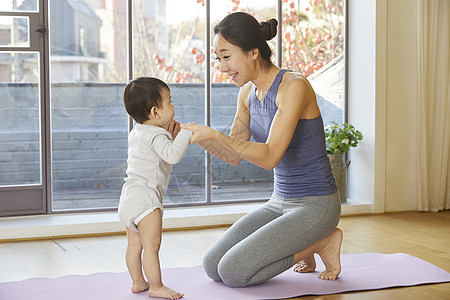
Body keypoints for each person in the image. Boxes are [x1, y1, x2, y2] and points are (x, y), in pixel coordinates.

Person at [181, 12, 343, 288]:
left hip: (316, 205)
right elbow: (233, 155)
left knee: (233, 272)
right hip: (279, 202)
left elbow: (270, 157)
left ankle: (321, 242)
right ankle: (310, 244)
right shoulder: (246, 93)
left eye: (226, 57)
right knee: (212, 265)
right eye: (218, 58)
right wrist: (195, 137)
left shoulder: (293, 86)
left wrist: (216, 134)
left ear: (253, 52)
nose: (222, 67)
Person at [118, 77, 191, 299]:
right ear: (155, 112)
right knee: (152, 246)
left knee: (134, 245)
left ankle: (138, 282)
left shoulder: (138, 131)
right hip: (147, 202)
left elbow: (158, 150)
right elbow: (173, 154)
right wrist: (186, 132)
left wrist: (170, 135)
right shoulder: (158, 134)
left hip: (129, 197)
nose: (173, 106)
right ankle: (156, 286)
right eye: (169, 101)